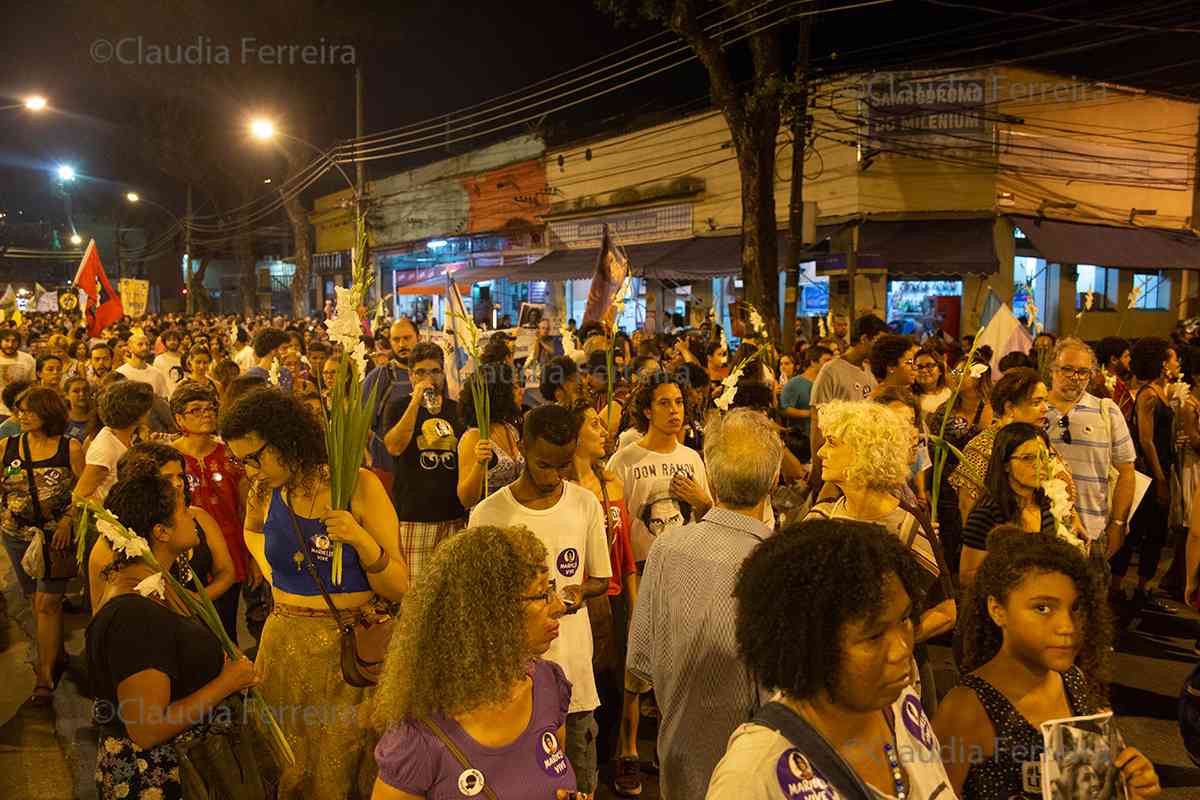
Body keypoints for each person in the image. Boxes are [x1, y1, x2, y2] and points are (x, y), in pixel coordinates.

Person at [221, 386, 408, 800]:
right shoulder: (264, 491)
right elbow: (253, 530)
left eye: (255, 457)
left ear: (286, 440)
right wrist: (275, 576)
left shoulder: (357, 486)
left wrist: (362, 542)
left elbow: (398, 585)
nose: (250, 470)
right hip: (283, 648)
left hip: (348, 656)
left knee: (340, 766)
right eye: (241, 461)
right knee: (288, 765)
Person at [706, 518, 954, 800]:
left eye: (905, 619)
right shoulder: (753, 778)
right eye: (873, 636)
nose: (901, 649)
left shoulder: (901, 704)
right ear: (806, 646)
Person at [934, 529, 1161, 800]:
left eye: (1075, 608)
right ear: (998, 610)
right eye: (1042, 608)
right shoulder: (966, 709)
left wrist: (1127, 784)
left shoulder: (1073, 681)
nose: (1067, 626)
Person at [627, 408, 779, 799]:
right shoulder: (778, 567)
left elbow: (641, 660)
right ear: (774, 480)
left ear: (710, 476)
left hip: (677, 764)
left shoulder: (667, 547)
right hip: (755, 776)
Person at [468, 404, 613, 795]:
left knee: (580, 782)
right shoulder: (488, 515)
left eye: (563, 465)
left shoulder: (584, 504)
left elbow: (600, 578)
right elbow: (476, 603)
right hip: (512, 689)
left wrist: (581, 591)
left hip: (575, 676)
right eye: (544, 464)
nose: (554, 476)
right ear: (523, 448)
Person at [370, 525, 576, 800]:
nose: (559, 606)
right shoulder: (419, 738)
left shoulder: (548, 684)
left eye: (550, 589)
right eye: (541, 595)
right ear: (491, 614)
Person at [87, 472, 258, 800]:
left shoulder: (153, 583)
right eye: (183, 510)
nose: (193, 515)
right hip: (159, 778)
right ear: (160, 532)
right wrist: (228, 681)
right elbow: (147, 728)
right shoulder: (133, 615)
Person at [807, 400, 956, 709]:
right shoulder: (818, 521)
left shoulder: (907, 526)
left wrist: (883, 642)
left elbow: (946, 612)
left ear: (864, 452)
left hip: (889, 686)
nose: (821, 452)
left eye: (832, 443)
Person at [568, 404, 640, 794]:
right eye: (593, 423)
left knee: (613, 683)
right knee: (584, 683)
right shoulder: (562, 490)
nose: (603, 429)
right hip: (582, 601)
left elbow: (625, 550)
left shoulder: (612, 482)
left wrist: (634, 602)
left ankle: (610, 759)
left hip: (614, 599)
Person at [0, 386, 83, 707]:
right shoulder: (8, 447)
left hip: (55, 539)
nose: (21, 415)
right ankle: (56, 652)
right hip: (15, 536)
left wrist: (67, 521)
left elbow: (83, 491)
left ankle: (44, 676)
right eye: (19, 409)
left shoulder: (69, 449)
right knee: (36, 601)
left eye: (28, 410)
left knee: (47, 603)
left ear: (47, 413)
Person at [1044, 338, 1136, 584]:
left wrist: (1118, 524)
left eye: (1083, 371)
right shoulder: (1035, 411)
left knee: (1090, 613)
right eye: (1067, 369)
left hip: (1093, 534)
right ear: (1052, 369)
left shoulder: (1107, 411)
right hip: (1041, 535)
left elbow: (1127, 471)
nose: (1075, 377)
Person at [383, 342, 467, 582]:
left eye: (434, 371)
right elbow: (394, 446)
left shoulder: (457, 410)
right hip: (414, 517)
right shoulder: (399, 407)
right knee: (416, 595)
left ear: (443, 374)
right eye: (420, 372)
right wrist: (414, 403)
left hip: (454, 517)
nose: (427, 377)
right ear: (410, 376)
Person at [170, 382, 250, 638]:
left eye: (210, 408)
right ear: (179, 418)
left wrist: (254, 558)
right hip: (185, 552)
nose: (206, 414)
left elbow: (247, 510)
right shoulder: (168, 459)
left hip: (229, 550)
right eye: (196, 410)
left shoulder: (232, 455)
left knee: (226, 628)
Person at [606, 373, 712, 563]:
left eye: (679, 402)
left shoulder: (692, 458)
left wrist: (704, 504)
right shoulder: (623, 462)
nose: (674, 410)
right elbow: (615, 530)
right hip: (641, 572)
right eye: (664, 403)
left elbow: (708, 527)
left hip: (686, 567)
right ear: (647, 411)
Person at [1112, 337, 1178, 611]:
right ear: (1162, 362)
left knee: (1155, 532)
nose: (1177, 363)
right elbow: (1147, 440)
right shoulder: (1149, 395)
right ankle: (1116, 588)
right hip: (1151, 472)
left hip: (1162, 467)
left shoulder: (1160, 392)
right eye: (1173, 358)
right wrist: (1160, 479)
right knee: (1138, 530)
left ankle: (1143, 587)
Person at [959, 423, 1062, 587]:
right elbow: (966, 576)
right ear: (1005, 464)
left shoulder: (1048, 506)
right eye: (1028, 458)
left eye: (1045, 457)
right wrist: (1020, 578)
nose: (1039, 465)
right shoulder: (987, 513)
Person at [950, 367, 1051, 520]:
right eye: (1037, 402)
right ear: (1010, 407)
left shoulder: (1037, 440)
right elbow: (967, 510)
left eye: (1046, 401)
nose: (1046, 409)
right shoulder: (982, 449)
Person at [808, 313, 890, 467]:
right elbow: (817, 420)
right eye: (878, 342)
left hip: (861, 460)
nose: (881, 349)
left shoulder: (869, 371)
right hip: (836, 459)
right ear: (864, 339)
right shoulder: (831, 371)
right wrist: (817, 466)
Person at [75, 381, 156, 505]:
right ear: (134, 412)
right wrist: (115, 509)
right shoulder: (105, 448)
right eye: (145, 409)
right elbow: (80, 496)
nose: (149, 412)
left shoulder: (126, 438)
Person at [456, 362, 525, 509]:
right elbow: (466, 500)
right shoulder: (473, 437)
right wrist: (479, 464)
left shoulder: (511, 430)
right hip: (486, 524)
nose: (521, 391)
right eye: (515, 387)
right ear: (499, 393)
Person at [780, 345, 832, 462]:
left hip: (824, 441)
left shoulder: (827, 383)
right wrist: (811, 413)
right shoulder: (794, 383)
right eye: (827, 360)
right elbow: (785, 410)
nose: (830, 364)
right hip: (802, 443)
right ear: (813, 362)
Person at [116, 331, 169, 399]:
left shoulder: (157, 374)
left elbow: (163, 400)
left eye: (147, 344)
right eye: (140, 344)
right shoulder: (121, 373)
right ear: (130, 348)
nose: (145, 348)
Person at [1093, 336, 1134, 421]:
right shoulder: (1097, 384)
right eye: (1126, 356)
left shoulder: (1123, 382)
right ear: (1114, 359)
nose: (1130, 360)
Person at [0, 329, 36, 414]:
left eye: (14, 341)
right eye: (7, 340)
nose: (10, 345)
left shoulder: (28, 359)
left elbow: (32, 383)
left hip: (21, 411)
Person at [63, 375, 99, 443]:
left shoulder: (98, 417)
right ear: (66, 395)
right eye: (76, 391)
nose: (82, 394)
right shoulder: (61, 419)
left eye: (85, 390)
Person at [154, 328, 183, 397]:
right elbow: (157, 381)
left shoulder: (185, 358)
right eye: (169, 340)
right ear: (164, 342)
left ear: (179, 341)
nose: (172, 342)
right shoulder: (159, 360)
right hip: (166, 397)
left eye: (174, 340)